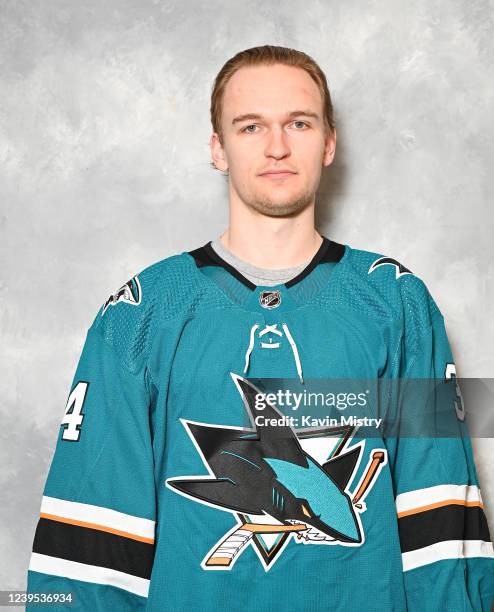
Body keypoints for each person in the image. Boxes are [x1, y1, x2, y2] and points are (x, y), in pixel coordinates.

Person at [26, 44, 494, 611]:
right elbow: (92, 543)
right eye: (250, 127)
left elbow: (444, 526)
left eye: (298, 122)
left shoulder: (398, 302)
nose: (277, 146)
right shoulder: (141, 312)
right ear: (217, 150)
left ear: (328, 143)